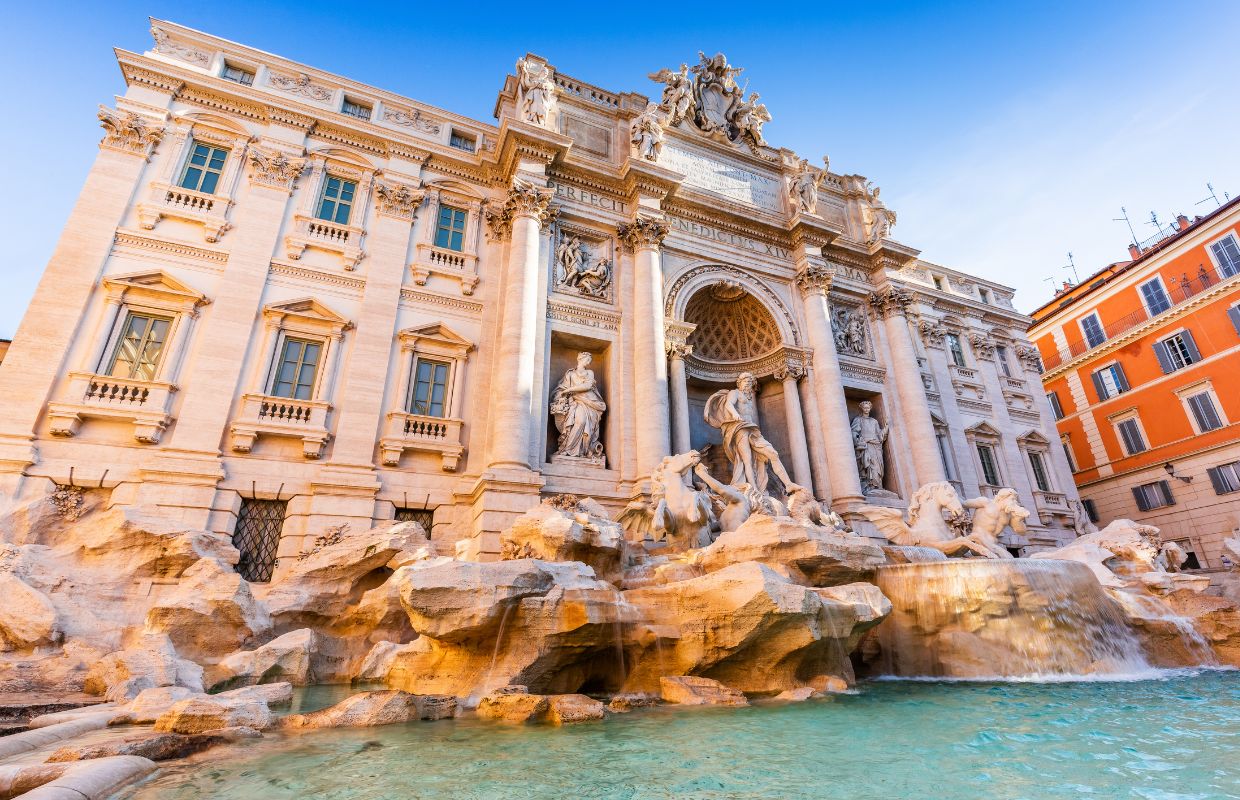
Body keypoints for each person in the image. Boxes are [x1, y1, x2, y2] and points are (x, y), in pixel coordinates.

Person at [704, 372, 800, 495]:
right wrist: (735, 414)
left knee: (772, 453)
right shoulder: (735, 393)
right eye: (745, 381)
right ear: (739, 383)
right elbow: (728, 404)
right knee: (747, 460)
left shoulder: (749, 398)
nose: (748, 383)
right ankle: (754, 490)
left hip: (752, 430)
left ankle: (788, 484)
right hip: (740, 428)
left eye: (750, 381)